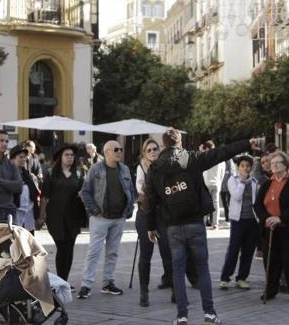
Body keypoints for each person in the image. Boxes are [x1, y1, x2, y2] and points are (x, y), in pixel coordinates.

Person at [145, 128, 256, 325]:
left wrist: (150, 226)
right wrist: (247, 143)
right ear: (180, 143)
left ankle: (181, 315)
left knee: (177, 270)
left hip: (173, 226)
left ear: (163, 145)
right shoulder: (192, 158)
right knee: (202, 268)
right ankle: (210, 313)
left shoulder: (154, 168)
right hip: (195, 221)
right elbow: (221, 152)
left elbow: (150, 200)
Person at [77, 140, 136, 299]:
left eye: (121, 149)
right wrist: (94, 210)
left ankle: (108, 282)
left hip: (119, 218)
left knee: (113, 252)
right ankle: (86, 285)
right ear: (107, 152)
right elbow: (85, 192)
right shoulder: (96, 169)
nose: (119, 152)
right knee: (94, 252)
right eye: (116, 149)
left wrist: (129, 209)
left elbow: (131, 190)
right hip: (100, 218)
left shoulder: (124, 169)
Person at [253, 151, 289, 303]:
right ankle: (270, 290)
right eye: (272, 163)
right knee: (270, 262)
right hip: (269, 228)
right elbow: (258, 205)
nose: (274, 165)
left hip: (288, 229)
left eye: (278, 163)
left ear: (286, 165)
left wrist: (280, 218)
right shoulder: (267, 183)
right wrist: (267, 218)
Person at [134, 138, 175, 307]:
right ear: (144, 153)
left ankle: (175, 288)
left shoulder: (167, 165)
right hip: (146, 214)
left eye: (155, 149)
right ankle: (144, 292)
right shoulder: (141, 168)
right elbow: (141, 190)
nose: (152, 152)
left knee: (168, 252)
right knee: (146, 255)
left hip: (164, 215)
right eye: (149, 150)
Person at [37, 144, 86, 283]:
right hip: (55, 216)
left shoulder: (78, 173)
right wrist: (41, 216)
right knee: (61, 247)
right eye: (67, 155)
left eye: (72, 155)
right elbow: (44, 197)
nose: (70, 157)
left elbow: (84, 193)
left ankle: (65, 281)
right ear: (61, 157)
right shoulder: (52, 173)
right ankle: (60, 280)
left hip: (73, 216)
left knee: (69, 249)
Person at [219, 154, 260, 291]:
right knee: (233, 250)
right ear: (238, 167)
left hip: (252, 221)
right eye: (242, 166)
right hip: (238, 220)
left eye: (248, 166)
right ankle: (225, 278)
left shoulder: (254, 182)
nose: (245, 168)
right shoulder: (233, 180)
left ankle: (242, 278)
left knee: (248, 251)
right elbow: (236, 196)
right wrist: (242, 182)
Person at [9, 145, 38, 233]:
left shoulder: (26, 174)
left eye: (25, 157)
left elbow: (34, 192)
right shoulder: (9, 174)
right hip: (15, 213)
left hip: (29, 213)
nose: (24, 159)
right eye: (20, 157)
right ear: (12, 159)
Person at [202, 140, 225, 229]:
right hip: (216, 183)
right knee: (216, 204)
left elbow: (201, 171)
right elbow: (222, 173)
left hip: (206, 183)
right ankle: (215, 223)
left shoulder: (205, 157)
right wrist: (220, 182)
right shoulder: (220, 158)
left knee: (205, 204)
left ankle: (203, 222)